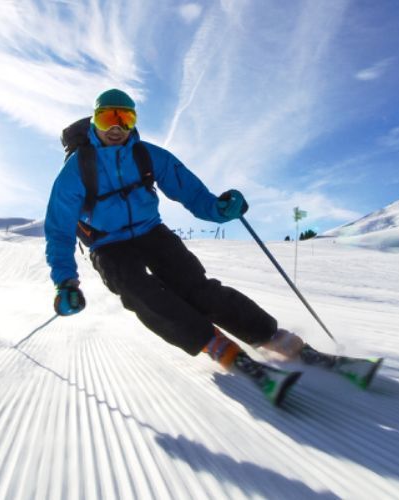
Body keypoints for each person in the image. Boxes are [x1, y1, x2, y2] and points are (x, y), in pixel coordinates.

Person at [44, 89, 336, 399]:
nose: (116, 128)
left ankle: (278, 340)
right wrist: (66, 282)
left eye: (125, 118)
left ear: (133, 123)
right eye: (107, 118)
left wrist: (219, 209)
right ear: (95, 121)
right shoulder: (76, 170)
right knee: (141, 292)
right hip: (108, 243)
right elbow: (59, 229)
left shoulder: (147, 155)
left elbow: (190, 192)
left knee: (198, 289)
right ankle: (219, 348)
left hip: (150, 231)